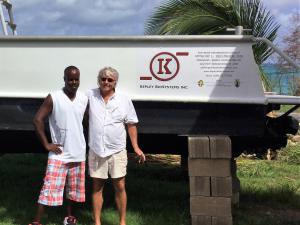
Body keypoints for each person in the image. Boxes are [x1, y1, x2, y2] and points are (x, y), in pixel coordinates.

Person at [86, 66, 146, 225]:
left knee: (120, 186)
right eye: (103, 79)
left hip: (117, 150)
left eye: (110, 80)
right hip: (96, 149)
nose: (106, 82)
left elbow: (131, 124)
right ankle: (97, 222)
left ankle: (122, 221)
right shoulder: (89, 95)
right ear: (99, 80)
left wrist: (136, 147)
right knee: (97, 186)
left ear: (115, 82)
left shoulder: (124, 99)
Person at [29, 66, 88, 225]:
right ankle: (37, 221)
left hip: (78, 152)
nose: (73, 82)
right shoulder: (54, 97)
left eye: (76, 79)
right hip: (59, 154)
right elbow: (37, 120)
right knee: (48, 187)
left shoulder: (83, 98)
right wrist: (47, 144)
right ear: (64, 79)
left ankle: (69, 218)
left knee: (72, 190)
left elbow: (86, 122)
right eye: (70, 79)